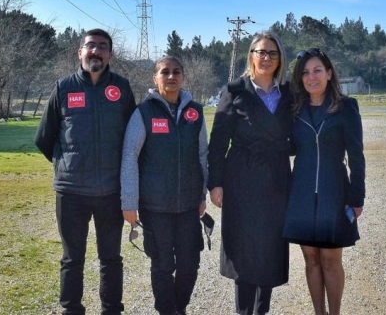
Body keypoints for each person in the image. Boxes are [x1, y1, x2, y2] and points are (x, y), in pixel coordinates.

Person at [34, 28, 136, 315]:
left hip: (110, 192)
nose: (96, 51)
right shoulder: (63, 88)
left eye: (103, 47)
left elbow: (133, 136)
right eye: (90, 46)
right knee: (72, 258)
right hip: (71, 192)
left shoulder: (122, 88)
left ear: (110, 55)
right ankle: (71, 309)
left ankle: (112, 309)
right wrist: (66, 166)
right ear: (80, 52)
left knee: (111, 258)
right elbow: (44, 137)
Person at [207, 31, 293, 315]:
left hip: (276, 179)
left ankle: (261, 310)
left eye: (272, 53)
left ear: (280, 59)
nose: (266, 58)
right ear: (251, 56)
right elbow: (218, 142)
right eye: (260, 52)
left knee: (269, 245)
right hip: (241, 179)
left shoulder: (289, 94)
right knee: (244, 247)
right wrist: (215, 184)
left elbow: (298, 136)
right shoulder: (234, 90)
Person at [120, 56, 208, 315]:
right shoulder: (143, 112)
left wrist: (202, 193)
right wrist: (129, 201)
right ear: (154, 78)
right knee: (162, 264)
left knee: (190, 264)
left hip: (188, 205)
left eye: (176, 72)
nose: (171, 77)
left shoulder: (196, 113)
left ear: (183, 77)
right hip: (155, 206)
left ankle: (179, 307)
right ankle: (166, 310)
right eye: (165, 72)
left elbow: (203, 154)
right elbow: (129, 156)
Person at [283, 48, 365, 315]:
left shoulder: (346, 108)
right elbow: (288, 146)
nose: (312, 77)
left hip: (334, 193)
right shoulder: (294, 110)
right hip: (302, 193)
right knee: (311, 260)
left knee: (330, 259)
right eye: (305, 73)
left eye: (317, 70)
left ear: (329, 74)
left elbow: (356, 155)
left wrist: (357, 197)